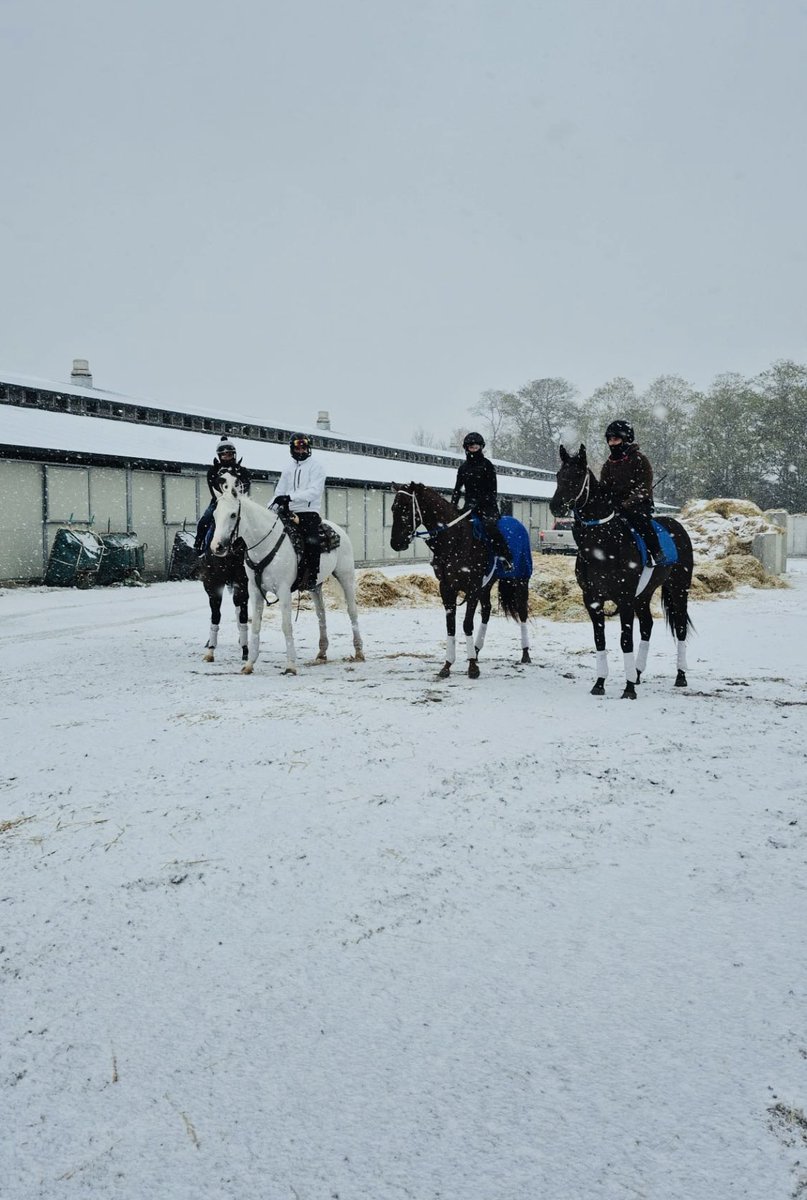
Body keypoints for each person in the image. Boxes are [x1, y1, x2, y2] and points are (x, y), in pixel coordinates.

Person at [599, 420, 663, 565]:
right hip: (615, 506)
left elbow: (644, 488)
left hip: (638, 504)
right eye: (609, 440)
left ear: (626, 439)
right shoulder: (608, 464)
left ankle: (656, 552)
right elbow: (604, 487)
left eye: (615, 439)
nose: (612, 443)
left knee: (641, 521)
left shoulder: (640, 460)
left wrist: (627, 504)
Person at [270, 433, 327, 589]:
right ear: (292, 449)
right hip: (287, 510)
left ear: (308, 448)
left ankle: (312, 577)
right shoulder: (287, 469)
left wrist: (289, 498)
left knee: (311, 541)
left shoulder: (316, 467)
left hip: (308, 512)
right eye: (297, 447)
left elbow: (314, 491)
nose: (301, 450)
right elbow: (278, 493)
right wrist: (270, 508)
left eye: (303, 447)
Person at [451, 432, 513, 570]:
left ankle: (505, 558)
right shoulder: (463, 468)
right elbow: (457, 489)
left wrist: (480, 502)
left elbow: (492, 491)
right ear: (466, 448)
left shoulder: (487, 465)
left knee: (490, 528)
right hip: (468, 507)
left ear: (481, 447)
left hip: (487, 507)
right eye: (471, 447)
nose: (473, 449)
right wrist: (453, 505)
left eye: (476, 446)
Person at [194, 438, 252, 553]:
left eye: (229, 454)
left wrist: (236, 498)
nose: (226, 457)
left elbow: (245, 486)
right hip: (219, 501)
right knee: (205, 520)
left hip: (239, 503)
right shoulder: (213, 471)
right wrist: (223, 500)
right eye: (224, 455)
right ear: (219, 456)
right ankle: (199, 546)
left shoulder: (242, 471)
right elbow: (213, 489)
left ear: (234, 455)